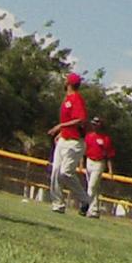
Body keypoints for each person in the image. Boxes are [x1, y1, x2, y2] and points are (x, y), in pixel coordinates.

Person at [46, 72, 91, 212]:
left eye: (66, 80)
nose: (64, 81)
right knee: (55, 172)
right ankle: (58, 204)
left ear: (70, 83)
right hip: (64, 139)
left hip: (75, 142)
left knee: (65, 172)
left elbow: (81, 119)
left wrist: (60, 126)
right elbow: (69, 121)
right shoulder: (67, 99)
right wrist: (61, 133)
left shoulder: (76, 98)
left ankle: (85, 200)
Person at [83, 118, 115, 217]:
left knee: (91, 186)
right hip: (89, 161)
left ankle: (87, 208)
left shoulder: (106, 139)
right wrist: (81, 163)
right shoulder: (89, 137)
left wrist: (110, 169)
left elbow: (109, 155)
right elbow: (84, 151)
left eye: (97, 124)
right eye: (93, 124)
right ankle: (95, 210)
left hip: (99, 163)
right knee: (93, 187)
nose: (94, 126)